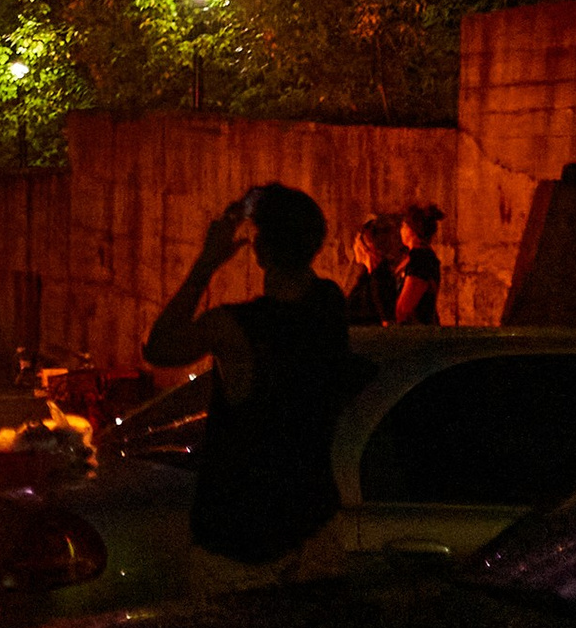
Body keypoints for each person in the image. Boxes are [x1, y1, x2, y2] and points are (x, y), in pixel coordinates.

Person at [145, 181, 357, 591]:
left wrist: (207, 262)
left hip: (241, 543)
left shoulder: (236, 327)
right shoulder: (329, 306)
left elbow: (160, 348)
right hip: (313, 528)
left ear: (258, 251)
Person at [345, 213, 404, 326]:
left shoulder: (379, 279)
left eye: (356, 242)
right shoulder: (368, 276)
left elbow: (386, 319)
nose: (353, 246)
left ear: (365, 246)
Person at [397, 202, 444, 325]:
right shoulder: (415, 257)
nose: (400, 230)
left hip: (416, 332)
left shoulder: (421, 259)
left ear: (411, 230)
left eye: (403, 225)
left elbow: (405, 307)